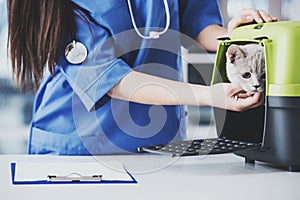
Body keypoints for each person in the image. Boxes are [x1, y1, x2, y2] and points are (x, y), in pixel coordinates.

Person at [7, 0, 277, 155]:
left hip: (157, 142)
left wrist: (238, 36)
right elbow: (109, 79)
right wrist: (208, 95)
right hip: (79, 145)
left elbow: (198, 23)